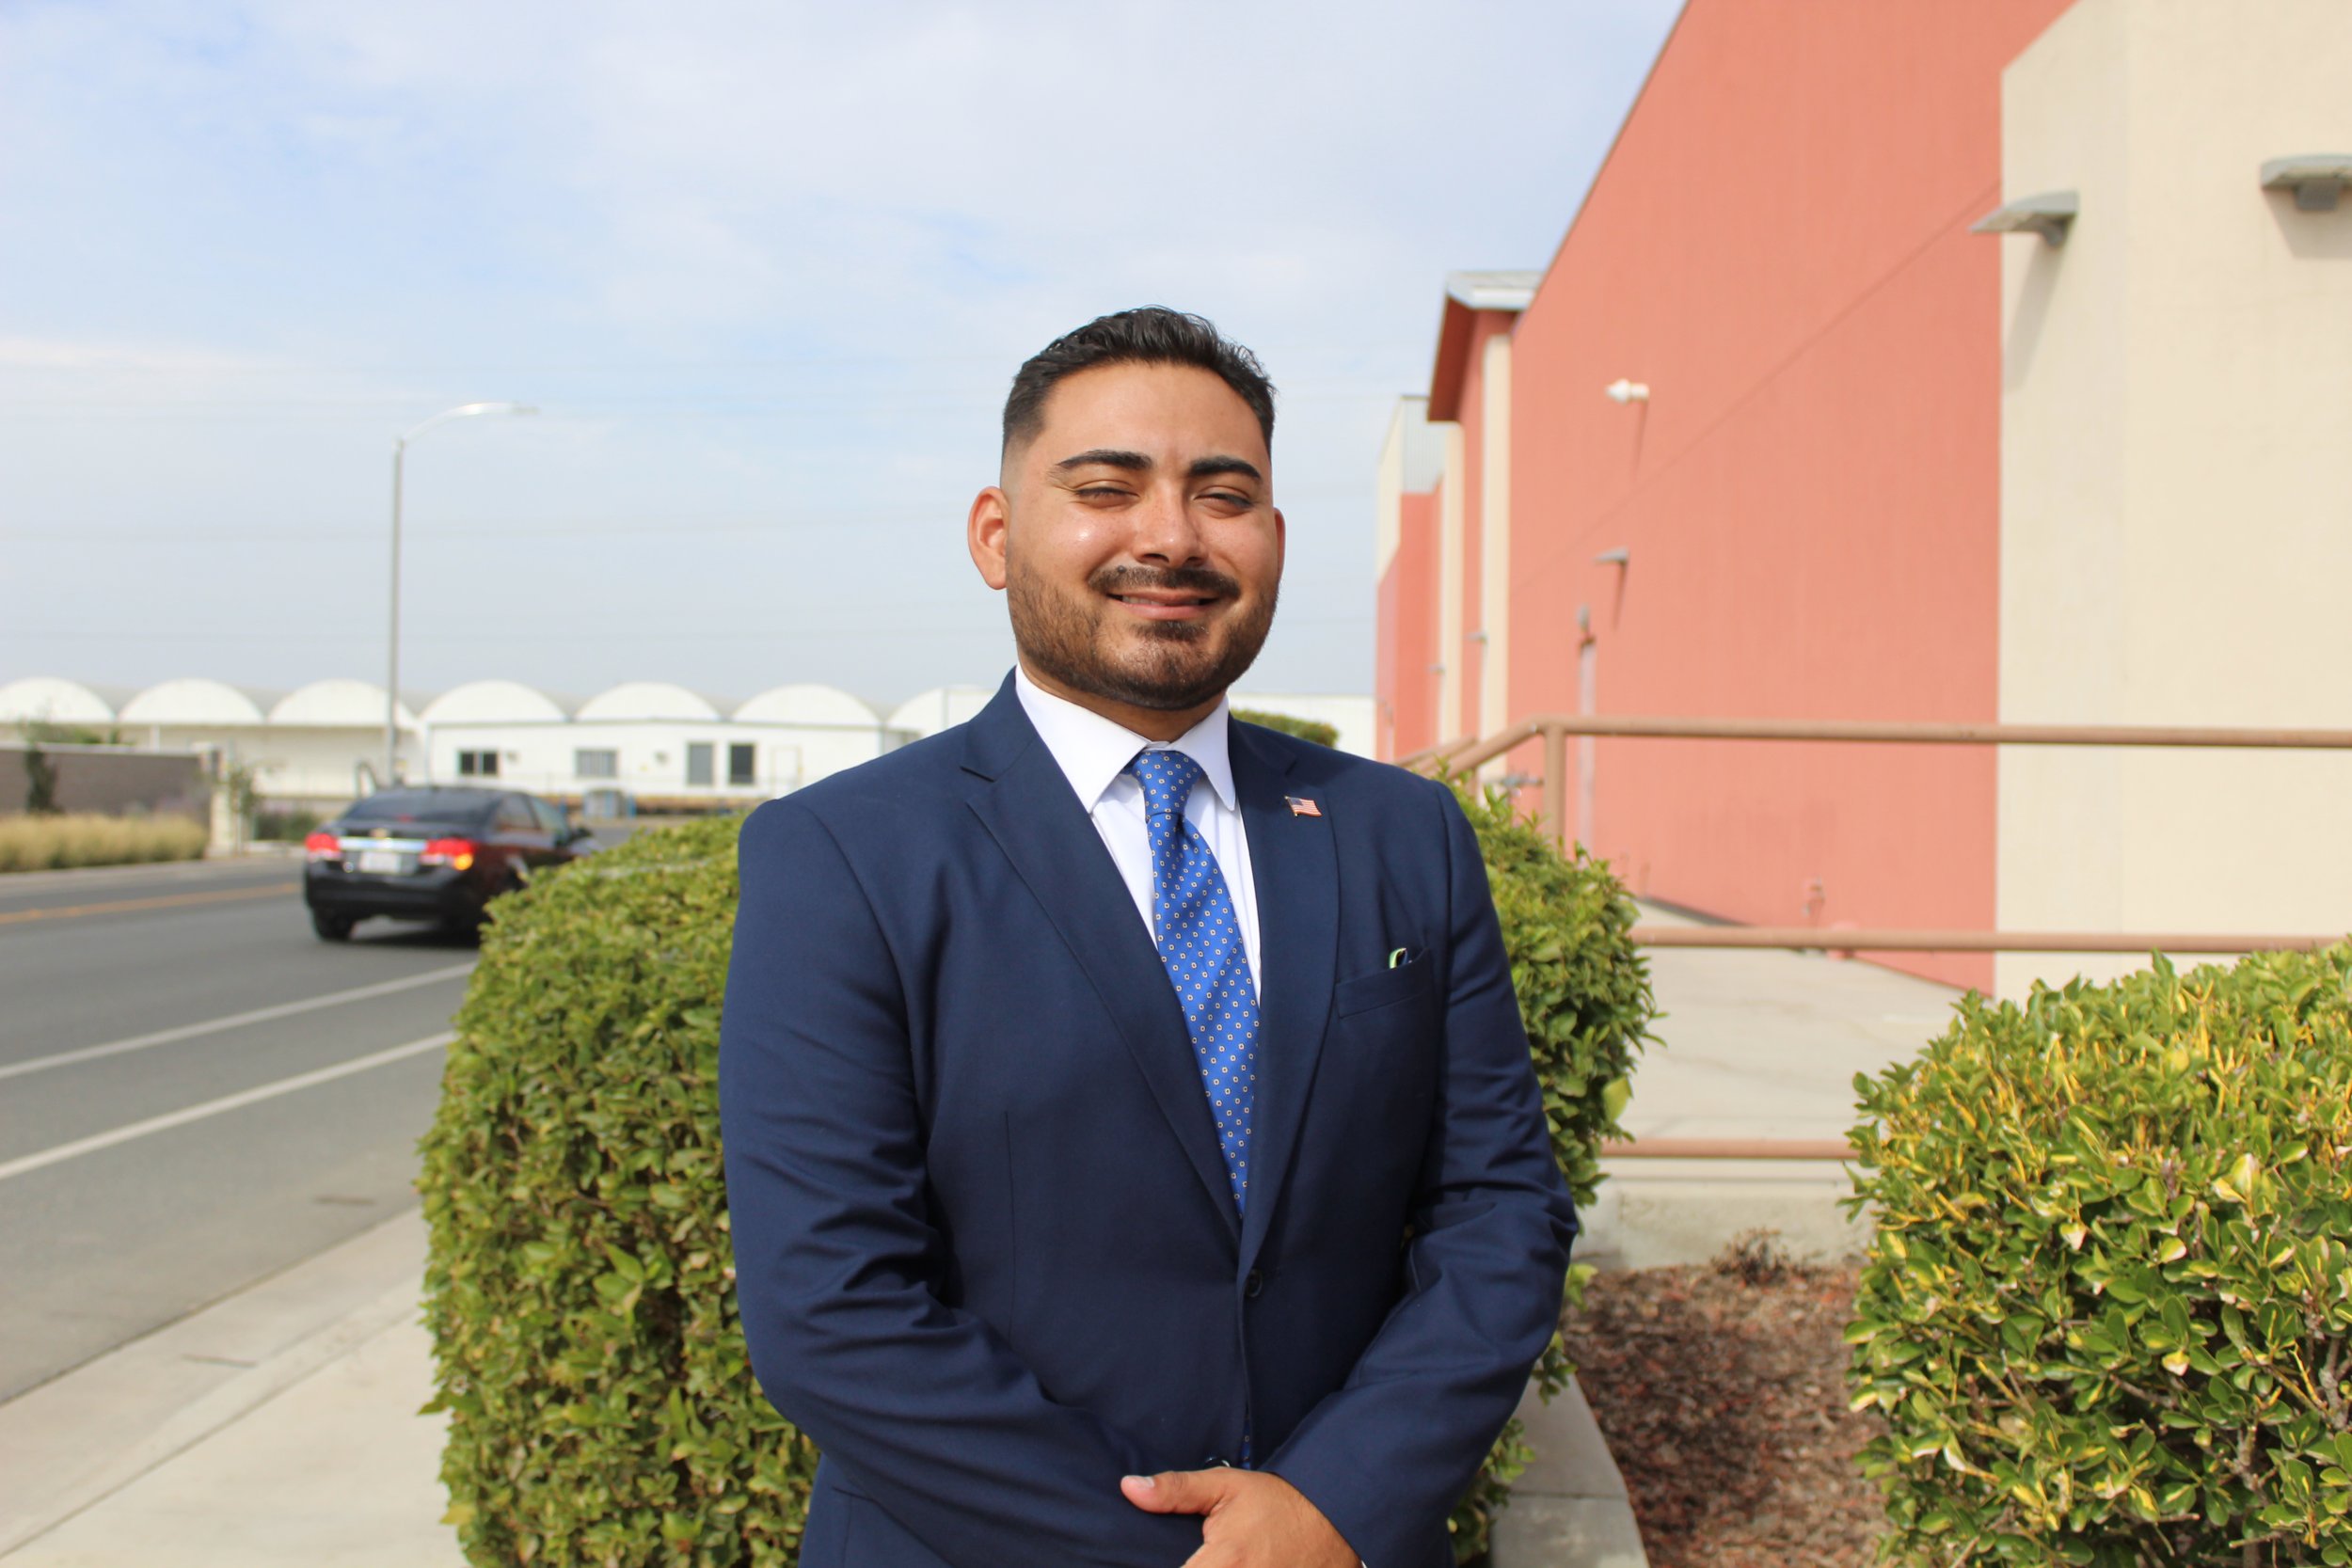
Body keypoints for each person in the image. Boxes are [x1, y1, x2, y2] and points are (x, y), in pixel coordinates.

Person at [720, 307, 1576, 1568]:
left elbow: (1499, 1212)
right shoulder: (844, 857)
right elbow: (830, 1311)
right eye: (1107, 488)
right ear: (997, 536)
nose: (1170, 537)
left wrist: (1336, 1503)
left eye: (1223, 495)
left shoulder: (1399, 835)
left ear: (1273, 541)